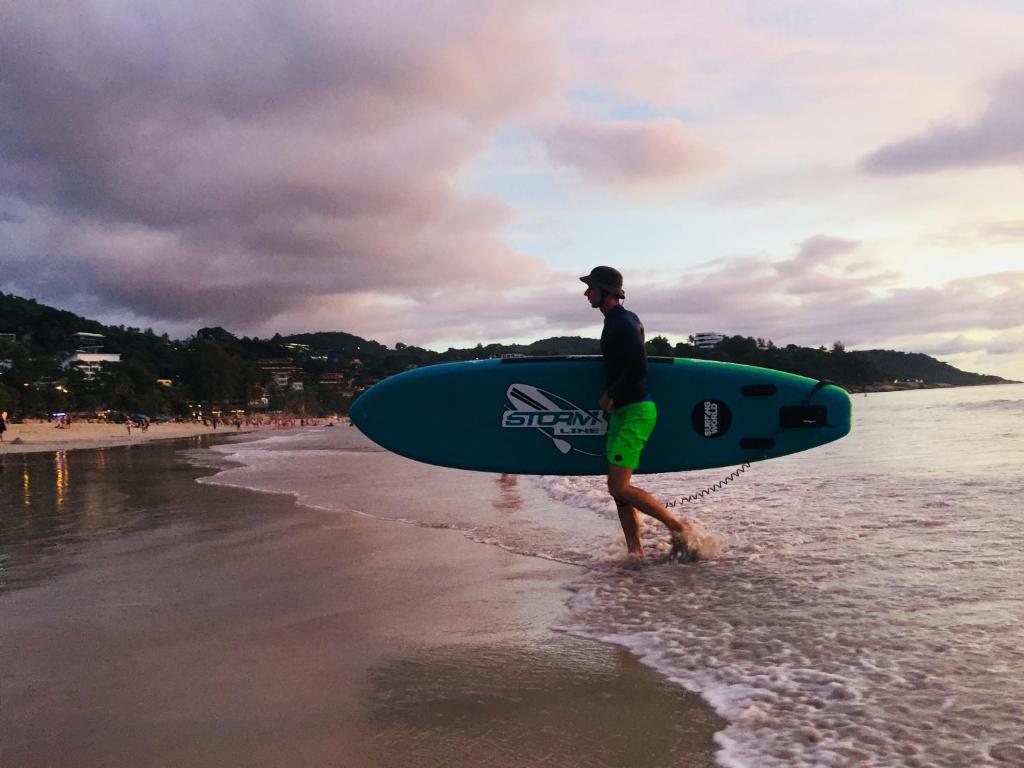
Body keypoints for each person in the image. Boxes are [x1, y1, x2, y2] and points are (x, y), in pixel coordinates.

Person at [580, 266, 699, 563]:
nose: (586, 293)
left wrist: (611, 393)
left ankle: (678, 525)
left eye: (591, 288)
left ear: (605, 291)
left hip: (636, 412)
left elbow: (638, 367)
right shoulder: (614, 321)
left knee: (618, 486)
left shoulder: (624, 322)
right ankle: (635, 552)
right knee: (618, 492)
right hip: (623, 412)